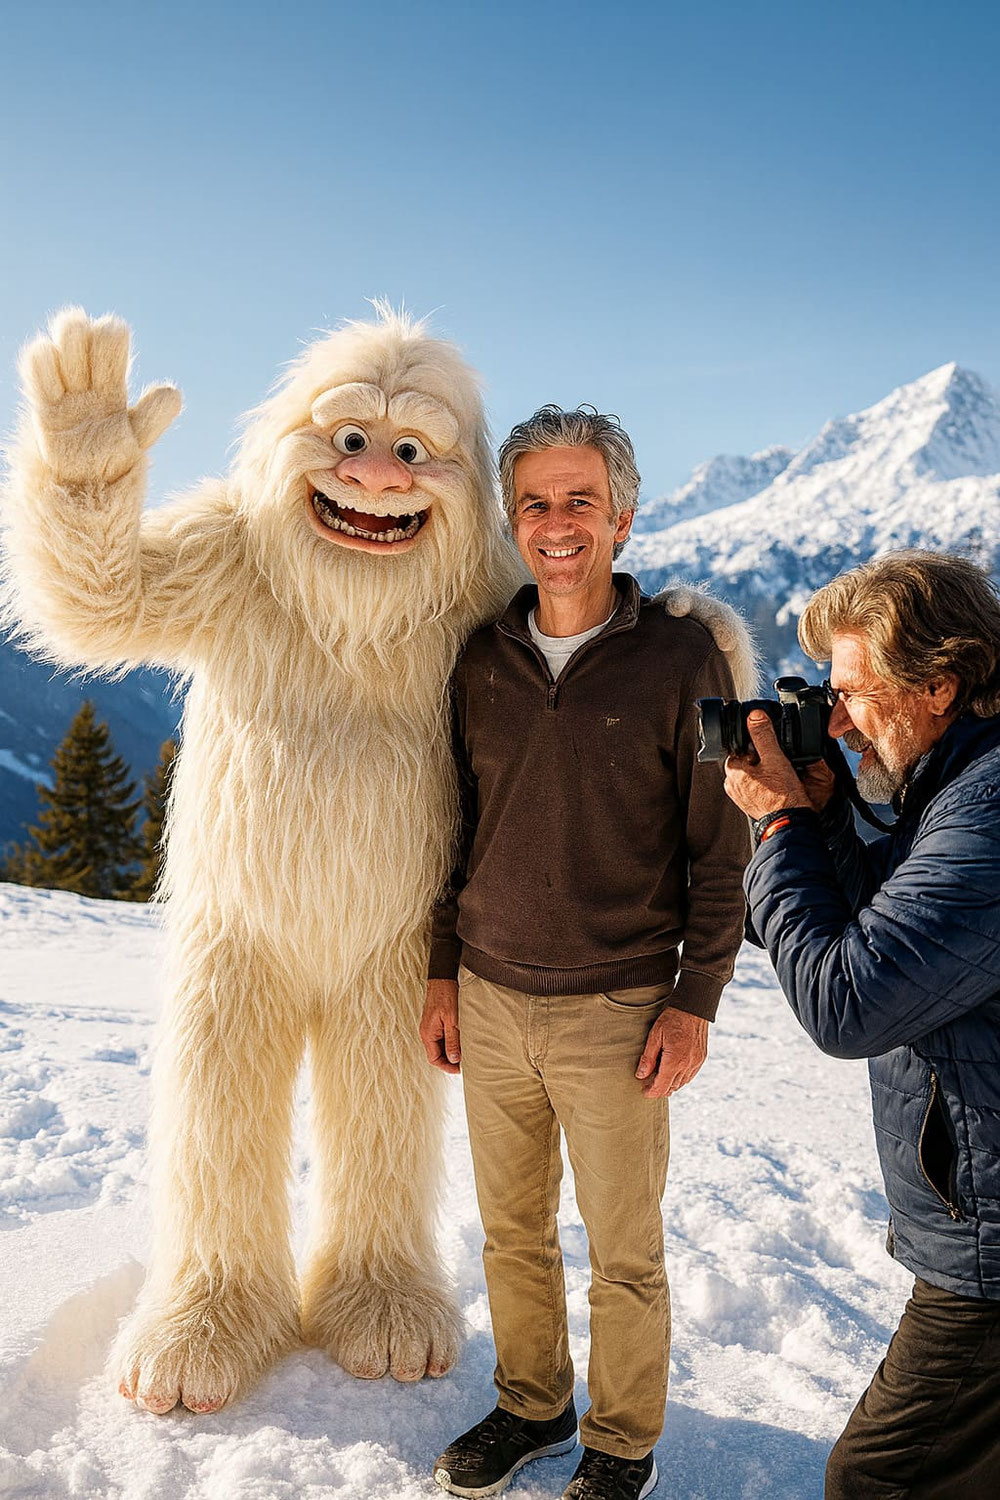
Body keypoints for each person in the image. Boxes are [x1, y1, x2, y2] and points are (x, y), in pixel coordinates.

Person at [419, 406, 751, 1500]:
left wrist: (693, 998)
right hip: (489, 991)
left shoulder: (684, 656)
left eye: (579, 501)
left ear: (622, 515)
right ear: (512, 519)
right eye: (536, 502)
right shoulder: (481, 658)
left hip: (617, 1007)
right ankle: (530, 1404)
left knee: (624, 1254)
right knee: (511, 1236)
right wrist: (439, 971)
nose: (556, 523)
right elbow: (452, 826)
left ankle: (620, 1440)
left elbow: (722, 838)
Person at [722, 550, 1000, 1500]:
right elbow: (875, 925)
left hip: (992, 1254)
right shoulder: (952, 786)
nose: (836, 721)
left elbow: (851, 1002)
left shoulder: (987, 809)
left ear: (937, 686)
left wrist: (780, 830)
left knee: (879, 1478)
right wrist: (828, 818)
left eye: (852, 693)